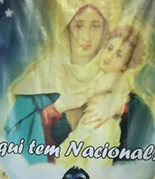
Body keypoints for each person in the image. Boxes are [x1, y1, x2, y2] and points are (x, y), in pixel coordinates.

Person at [3, 0, 155, 164]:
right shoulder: (39, 81)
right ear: (65, 28)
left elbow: (141, 153)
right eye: (78, 25)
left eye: (96, 26)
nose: (86, 36)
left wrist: (119, 107)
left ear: (106, 31)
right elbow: (16, 145)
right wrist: (56, 108)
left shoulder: (123, 89)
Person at [57, 25, 146, 169]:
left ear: (126, 65)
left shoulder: (117, 78)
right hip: (87, 126)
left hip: (102, 131)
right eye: (109, 48)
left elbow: (87, 91)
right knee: (66, 161)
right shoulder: (105, 74)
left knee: (93, 172)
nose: (109, 56)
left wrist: (68, 79)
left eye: (118, 55)